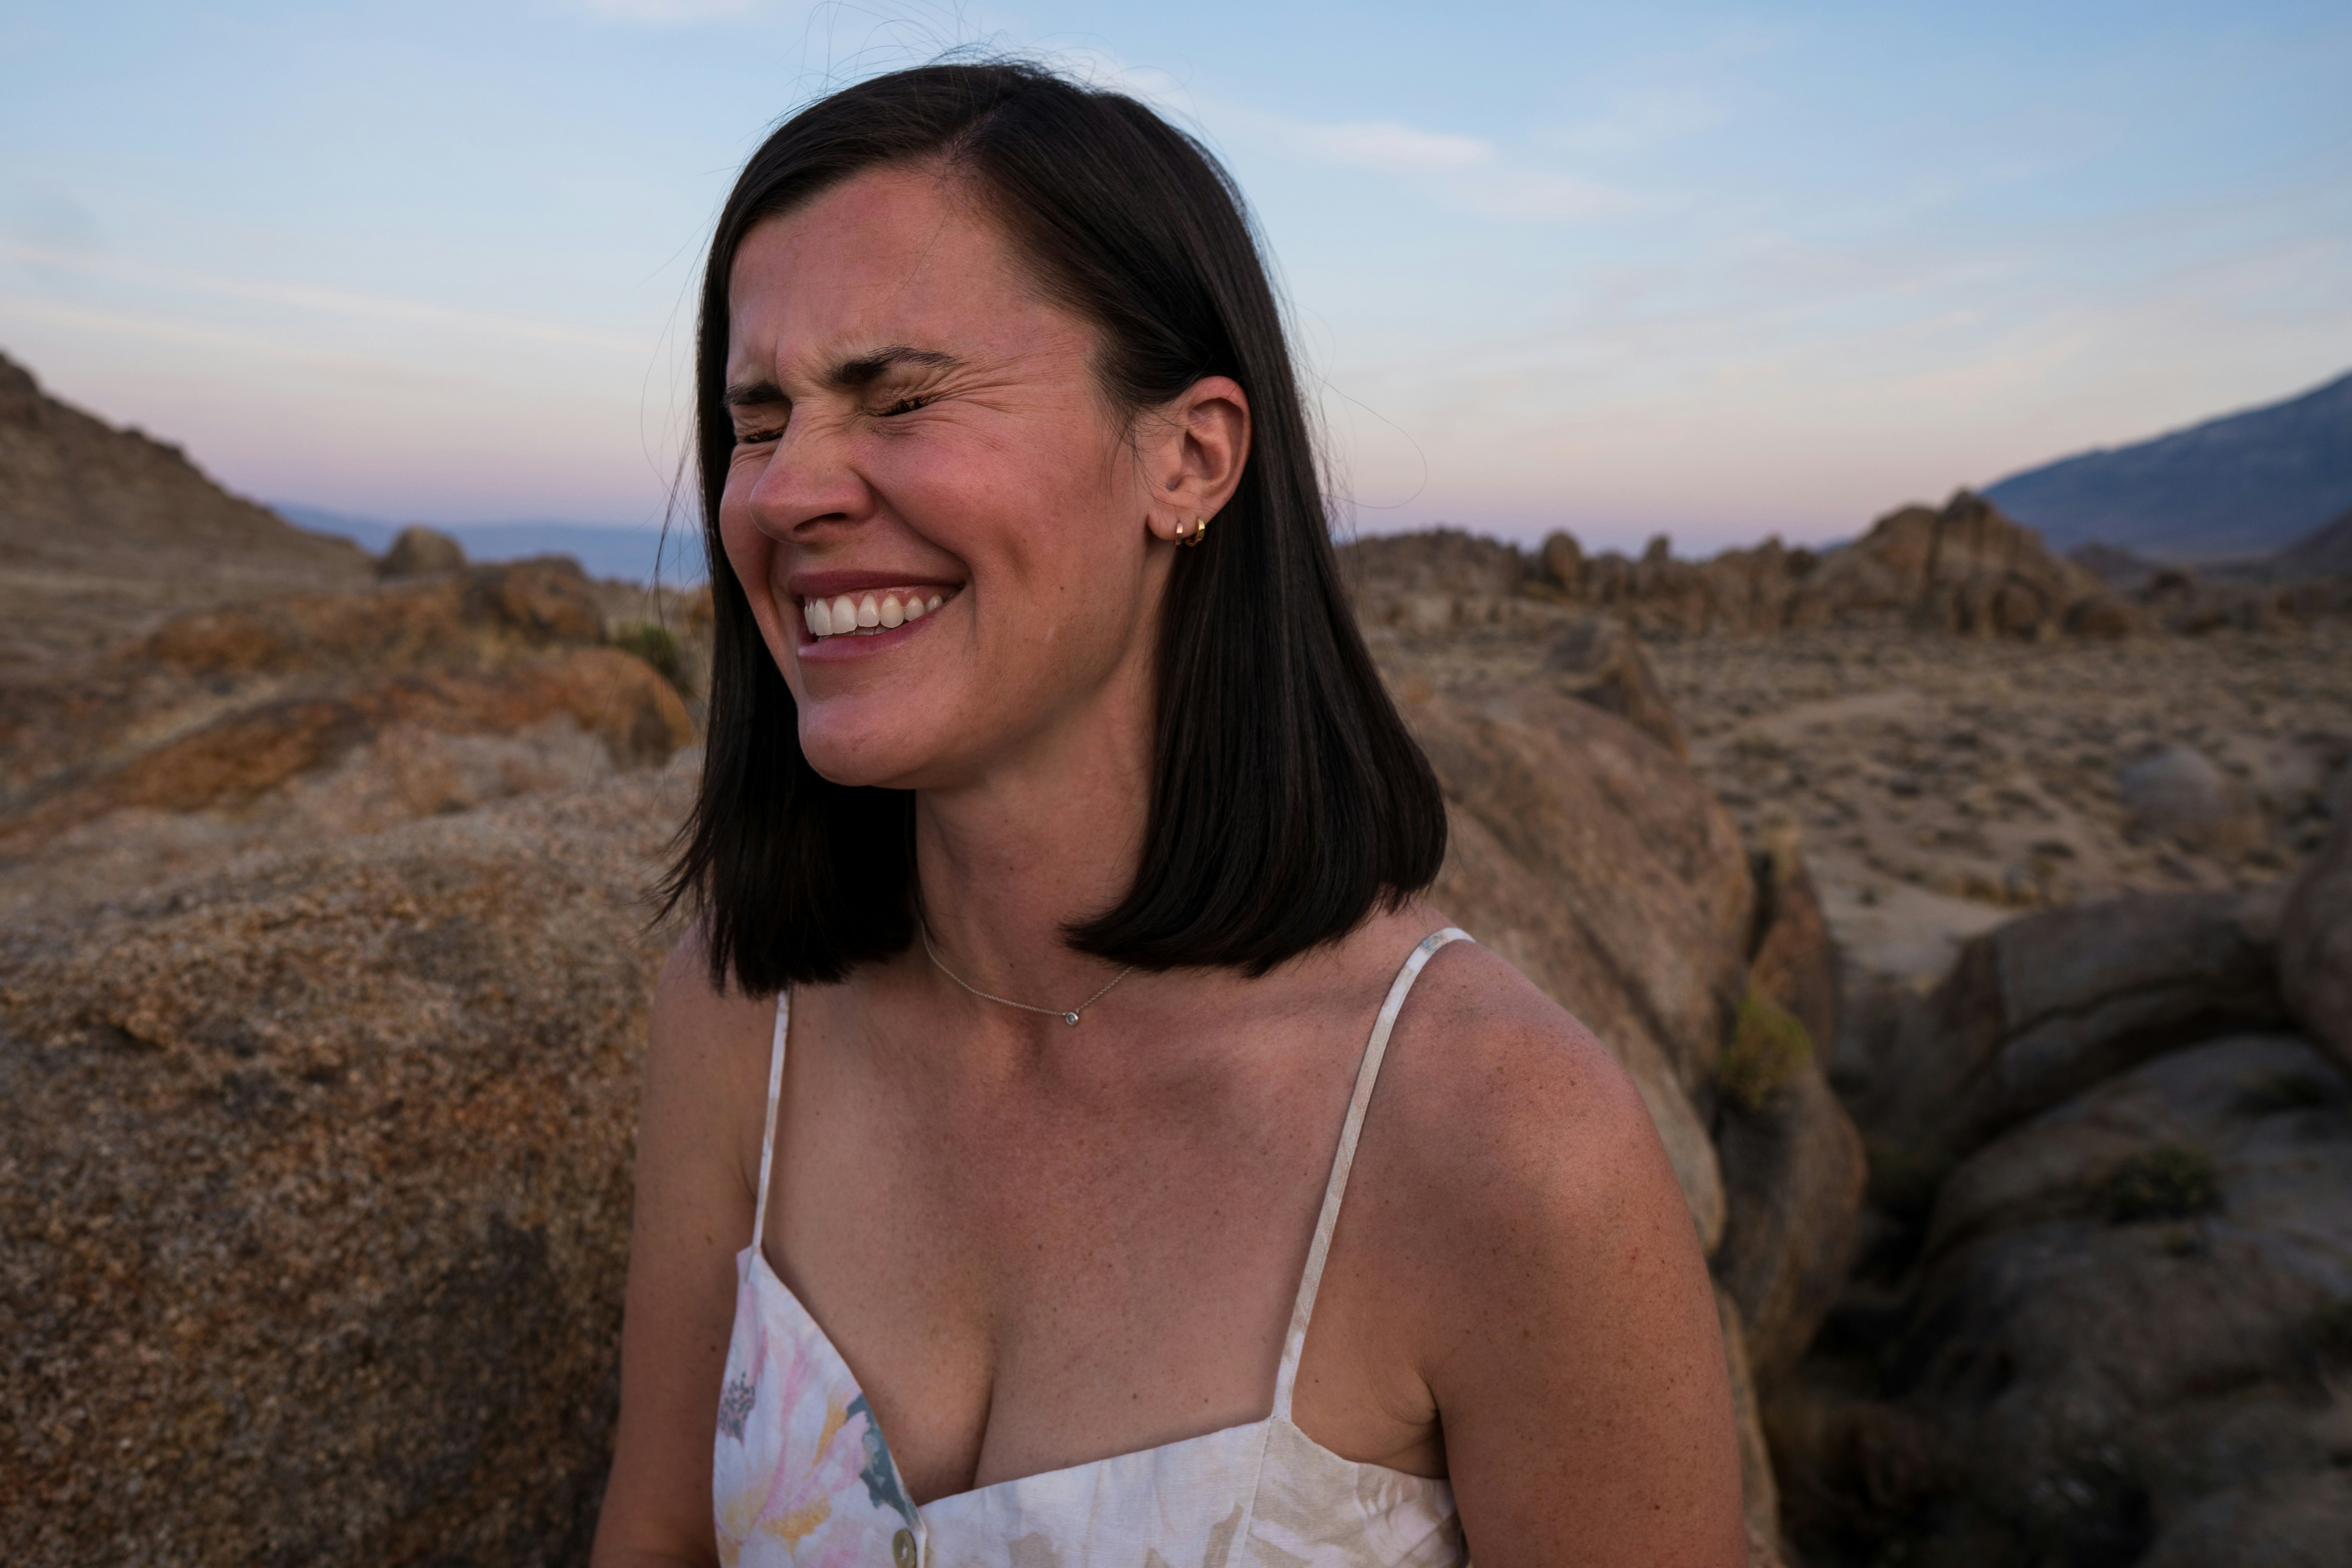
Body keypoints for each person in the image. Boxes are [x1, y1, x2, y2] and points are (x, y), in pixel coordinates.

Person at [590, 60, 1745, 1568]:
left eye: (902, 395)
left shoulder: (1499, 1140)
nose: (787, 491)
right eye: (758, 421)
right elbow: (660, 1539)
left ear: (1188, 456)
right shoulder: (750, 1019)